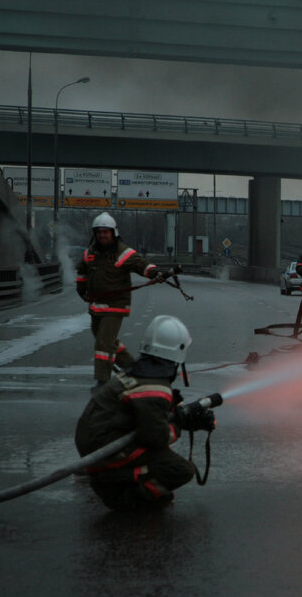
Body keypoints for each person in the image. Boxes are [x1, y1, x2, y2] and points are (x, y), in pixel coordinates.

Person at [75, 315, 213, 511]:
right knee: (179, 470)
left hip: (97, 443)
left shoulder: (139, 371)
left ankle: (117, 478)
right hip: (103, 451)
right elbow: (155, 437)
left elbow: (146, 416)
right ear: (179, 350)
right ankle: (121, 494)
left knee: (161, 461)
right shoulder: (154, 387)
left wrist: (188, 420)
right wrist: (180, 424)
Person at [76, 212, 166, 387]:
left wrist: (155, 273)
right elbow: (82, 274)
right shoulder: (90, 254)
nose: (102, 235)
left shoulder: (123, 253)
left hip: (115, 306)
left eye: (106, 232)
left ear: (113, 233)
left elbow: (141, 264)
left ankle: (102, 382)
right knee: (108, 342)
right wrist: (82, 291)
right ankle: (135, 370)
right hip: (96, 305)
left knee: (103, 344)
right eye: (99, 232)